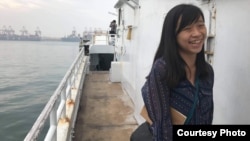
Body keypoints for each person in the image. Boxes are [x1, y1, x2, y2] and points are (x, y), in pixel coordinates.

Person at [132, 4, 214, 141]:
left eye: (200, 25)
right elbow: (162, 124)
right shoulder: (162, 70)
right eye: (187, 28)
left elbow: (208, 114)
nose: (197, 33)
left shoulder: (207, 72)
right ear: (173, 35)